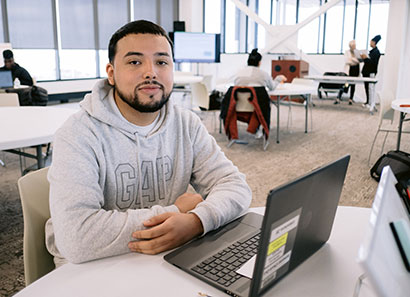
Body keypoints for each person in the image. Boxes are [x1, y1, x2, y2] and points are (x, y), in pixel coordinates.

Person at [45, 20, 252, 266]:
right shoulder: (78, 134)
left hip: (166, 255)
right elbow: (77, 237)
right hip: (92, 266)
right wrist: (175, 212)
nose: (151, 72)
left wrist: (197, 221)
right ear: (111, 73)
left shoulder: (186, 124)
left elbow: (236, 187)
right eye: (135, 62)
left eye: (162, 62)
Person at [337, 40, 360, 105]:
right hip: (349, 71)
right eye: (353, 45)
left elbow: (359, 60)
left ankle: (351, 99)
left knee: (353, 85)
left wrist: (352, 60)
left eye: (355, 45)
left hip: (355, 71)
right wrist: (354, 60)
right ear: (350, 46)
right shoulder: (347, 52)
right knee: (346, 84)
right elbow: (347, 61)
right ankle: (338, 97)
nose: (354, 47)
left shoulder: (357, 52)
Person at [360, 35, 381, 107]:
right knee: (367, 88)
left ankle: (371, 103)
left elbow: (372, 64)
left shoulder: (376, 52)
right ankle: (368, 101)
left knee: (370, 88)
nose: (370, 43)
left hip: (371, 72)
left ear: (374, 42)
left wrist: (365, 58)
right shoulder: (372, 52)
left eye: (371, 42)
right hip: (366, 72)